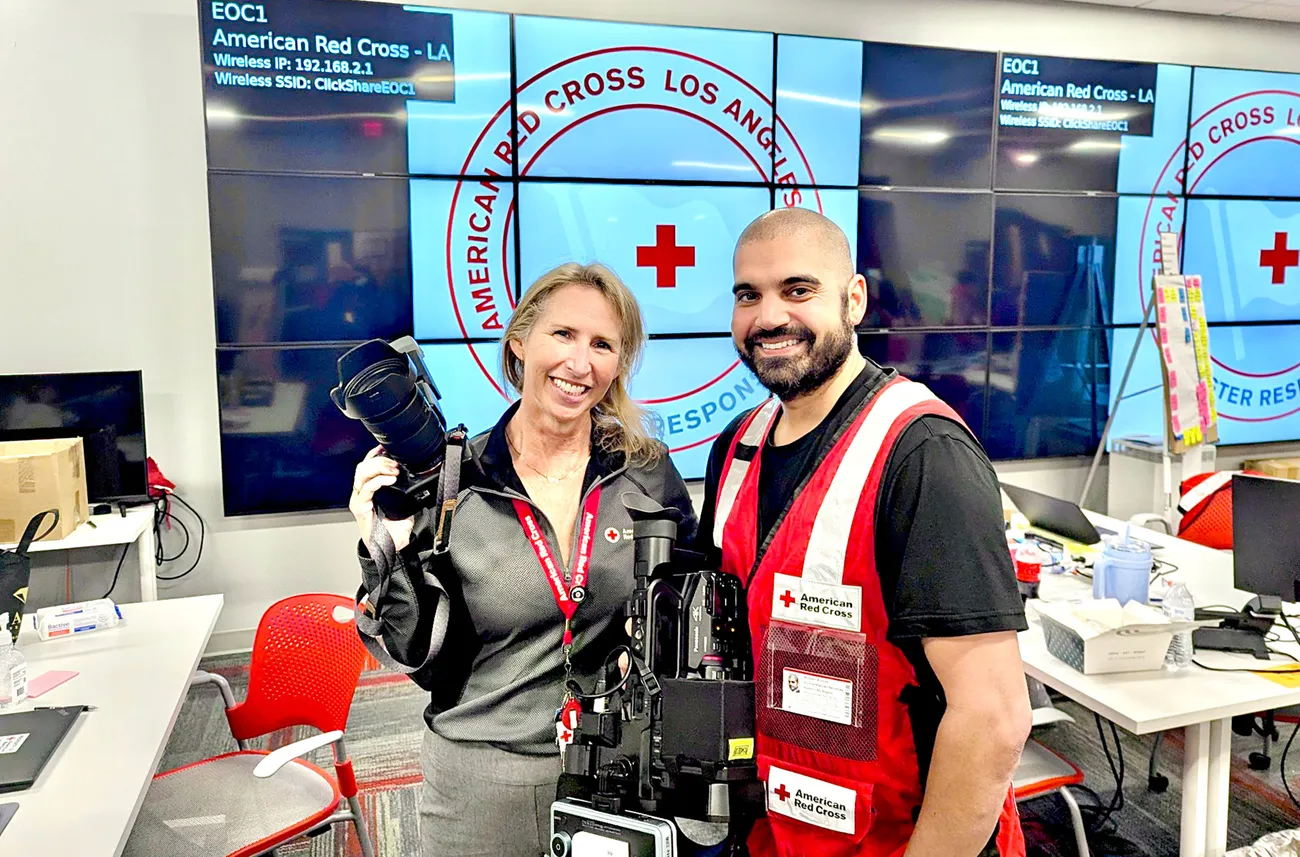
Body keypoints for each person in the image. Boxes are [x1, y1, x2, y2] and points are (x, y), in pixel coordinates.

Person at [695, 208, 1031, 857]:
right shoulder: (737, 447)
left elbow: (994, 717)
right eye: (748, 295)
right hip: (778, 832)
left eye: (798, 290)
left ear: (853, 300)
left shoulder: (922, 454)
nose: (768, 317)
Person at [350, 262, 697, 857]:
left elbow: (687, 608)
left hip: (616, 775)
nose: (580, 363)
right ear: (520, 341)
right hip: (481, 780)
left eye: (603, 345)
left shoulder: (645, 470)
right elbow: (409, 652)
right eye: (562, 334)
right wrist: (387, 548)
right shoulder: (456, 478)